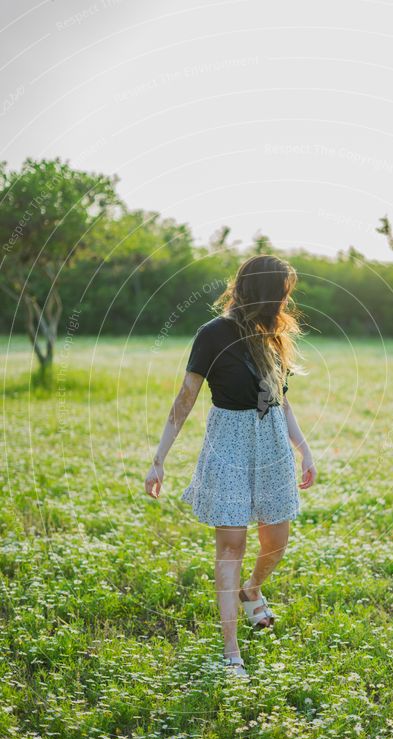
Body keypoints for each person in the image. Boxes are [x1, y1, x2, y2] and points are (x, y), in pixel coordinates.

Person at [144, 255, 317, 678]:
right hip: (230, 446)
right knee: (231, 547)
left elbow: (280, 397)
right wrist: (158, 460)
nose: (285, 300)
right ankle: (231, 653)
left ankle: (252, 591)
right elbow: (186, 399)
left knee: (276, 541)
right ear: (265, 292)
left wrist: (304, 448)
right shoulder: (212, 334)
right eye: (281, 292)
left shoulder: (273, 335)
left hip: (272, 442)